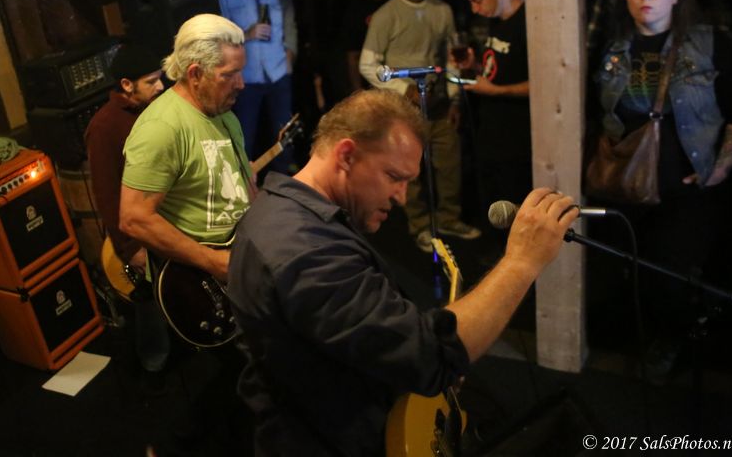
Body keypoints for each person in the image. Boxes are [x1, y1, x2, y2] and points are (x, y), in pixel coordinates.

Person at [227, 89, 581, 456]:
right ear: (346, 155)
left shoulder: (288, 212)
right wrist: (522, 261)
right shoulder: (304, 250)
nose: (401, 196)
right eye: (394, 176)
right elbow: (431, 357)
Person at [590, 0, 732, 378]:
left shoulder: (711, 44)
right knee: (630, 270)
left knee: (670, 275)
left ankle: (670, 341)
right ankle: (641, 337)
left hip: (687, 191)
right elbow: (599, 114)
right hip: (627, 186)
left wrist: (721, 167)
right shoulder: (612, 48)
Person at [119, 13, 253, 453]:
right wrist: (214, 261)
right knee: (235, 376)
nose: (241, 84)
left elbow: (244, 186)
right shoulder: (161, 128)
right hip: (200, 282)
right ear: (195, 74)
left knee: (246, 379)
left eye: (241, 71)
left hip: (238, 262)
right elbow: (134, 219)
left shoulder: (223, 114)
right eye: (229, 74)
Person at [360, 0, 481, 252]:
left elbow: (451, 57)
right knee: (410, 171)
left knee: (449, 164)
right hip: (404, 109)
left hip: (438, 102)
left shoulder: (442, 9)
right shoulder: (387, 15)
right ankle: (419, 226)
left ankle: (449, 218)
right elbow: (367, 64)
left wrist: (454, 98)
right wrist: (402, 88)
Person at [84, 41, 169, 373]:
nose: (160, 86)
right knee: (148, 306)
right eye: (152, 81)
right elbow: (106, 195)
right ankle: (153, 369)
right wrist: (129, 247)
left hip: (164, 221)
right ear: (126, 85)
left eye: (160, 78)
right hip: (137, 235)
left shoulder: (154, 110)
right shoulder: (104, 127)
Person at [219, 0, 297, 174]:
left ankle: (286, 179)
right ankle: (244, 180)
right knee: (244, 133)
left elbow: (290, 25)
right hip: (246, 76)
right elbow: (220, 38)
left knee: (283, 131)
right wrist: (246, 34)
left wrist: (290, 56)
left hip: (278, 70)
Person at [460, 0, 532, 217]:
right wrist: (475, 66)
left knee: (515, 210)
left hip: (517, 139)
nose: (475, 9)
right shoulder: (497, 20)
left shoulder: (529, 23)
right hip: (491, 133)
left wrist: (497, 91)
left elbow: (543, 86)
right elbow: (499, 68)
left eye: (478, 0)